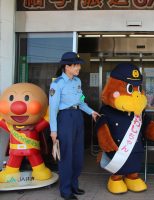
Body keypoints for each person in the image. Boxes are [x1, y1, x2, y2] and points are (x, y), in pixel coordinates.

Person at [49, 52, 100, 200]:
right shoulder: (57, 84)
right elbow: (53, 108)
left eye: (78, 65)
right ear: (67, 66)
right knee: (66, 155)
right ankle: (65, 190)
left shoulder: (77, 81)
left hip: (78, 117)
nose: (78, 67)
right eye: (76, 65)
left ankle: (74, 185)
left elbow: (81, 102)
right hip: (65, 118)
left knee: (78, 154)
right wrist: (53, 130)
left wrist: (91, 112)